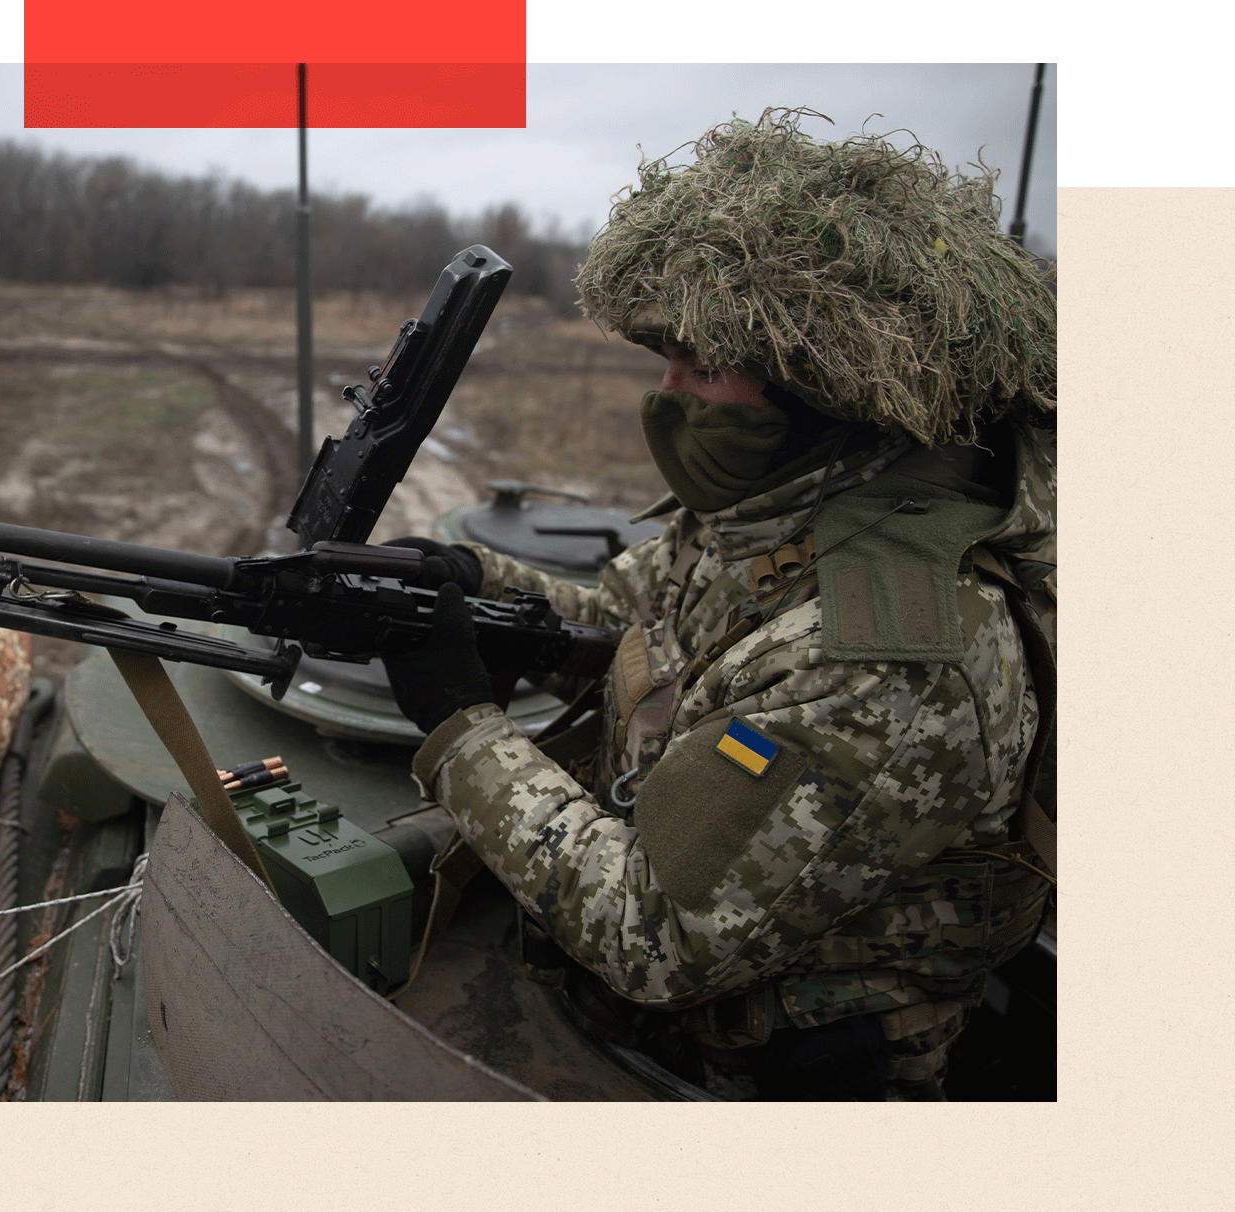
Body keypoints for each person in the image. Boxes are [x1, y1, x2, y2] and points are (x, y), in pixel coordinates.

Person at [382, 109, 1057, 1100]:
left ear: (822, 385)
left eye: (700, 366)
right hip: (649, 1021)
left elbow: (654, 934)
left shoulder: (890, 656)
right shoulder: (791, 503)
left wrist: (461, 727)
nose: (666, 394)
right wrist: (473, 584)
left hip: (736, 1081)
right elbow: (639, 609)